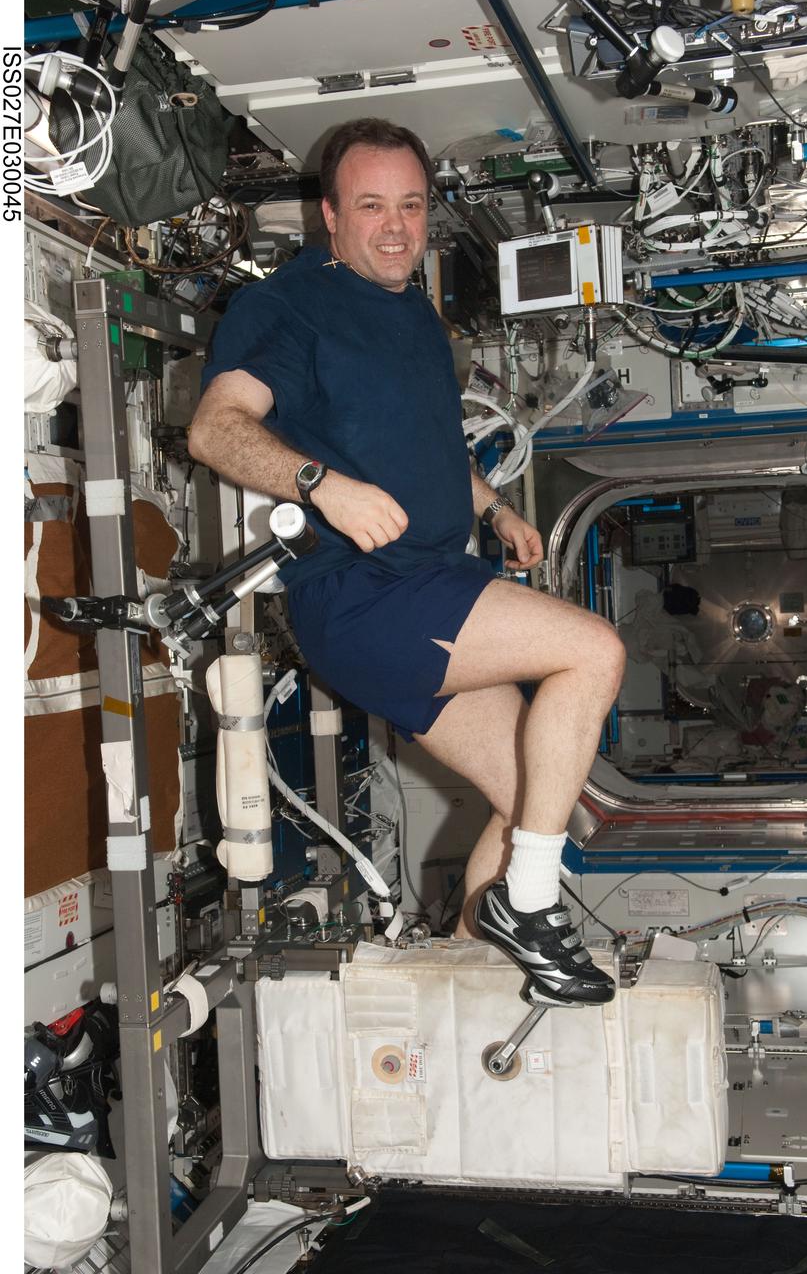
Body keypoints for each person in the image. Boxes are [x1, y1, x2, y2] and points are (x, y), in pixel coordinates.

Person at [188, 117, 626, 1008]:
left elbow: (428, 445)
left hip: (431, 579)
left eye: (412, 206)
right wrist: (321, 485)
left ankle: (458, 991)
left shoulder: (417, 313)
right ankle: (528, 906)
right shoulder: (289, 306)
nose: (396, 228)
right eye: (371, 206)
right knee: (595, 651)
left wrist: (495, 507)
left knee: (534, 794)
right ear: (329, 215)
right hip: (364, 596)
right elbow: (213, 429)